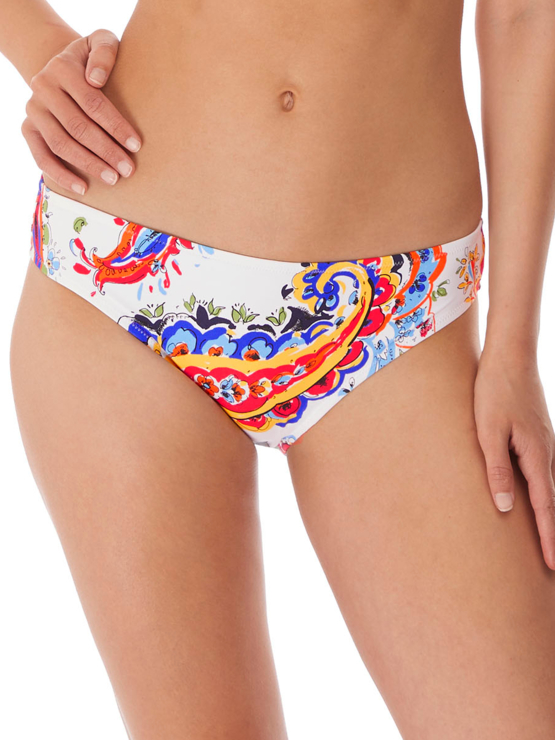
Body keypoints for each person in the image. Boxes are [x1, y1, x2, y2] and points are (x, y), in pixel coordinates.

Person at [3, 0, 555, 738]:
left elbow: (525, 14)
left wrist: (514, 347)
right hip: (127, 268)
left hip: (396, 310)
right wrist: (41, 45)